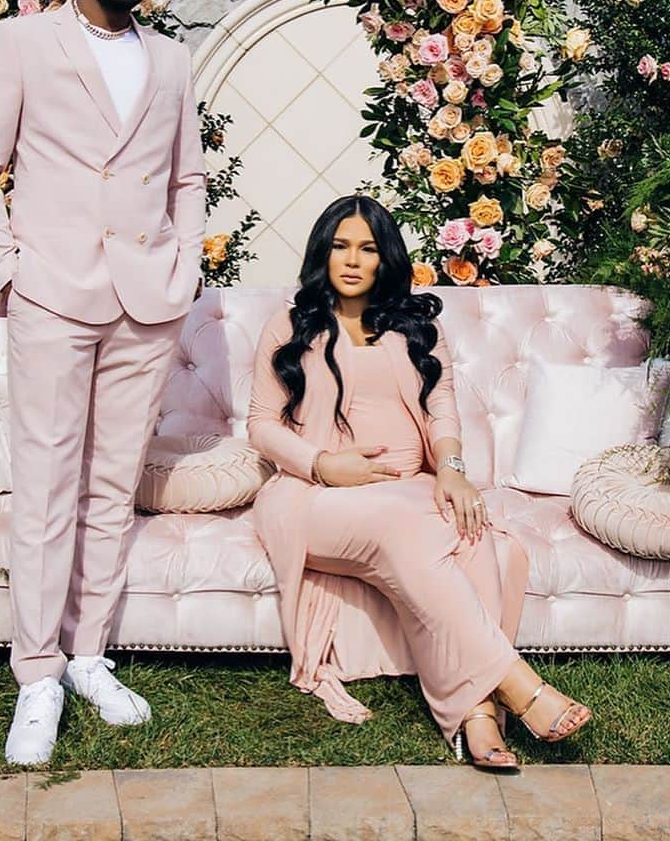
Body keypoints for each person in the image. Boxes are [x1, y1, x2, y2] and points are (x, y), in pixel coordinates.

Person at [0, 0, 206, 765]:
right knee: (48, 483)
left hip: (147, 298)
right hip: (52, 294)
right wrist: (8, 270)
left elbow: (188, 176)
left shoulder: (171, 58)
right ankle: (36, 675)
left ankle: (88, 655)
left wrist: (186, 269)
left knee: (110, 485)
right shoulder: (23, 41)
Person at [247, 195, 590, 768]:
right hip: (314, 497)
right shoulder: (289, 326)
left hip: (406, 492)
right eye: (340, 246)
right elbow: (260, 424)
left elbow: (442, 412)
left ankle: (476, 721)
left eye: (367, 248)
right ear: (321, 254)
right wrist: (321, 464)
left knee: (471, 531)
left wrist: (452, 473)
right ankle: (519, 683)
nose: (352, 261)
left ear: (387, 259)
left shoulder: (417, 328)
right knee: (407, 523)